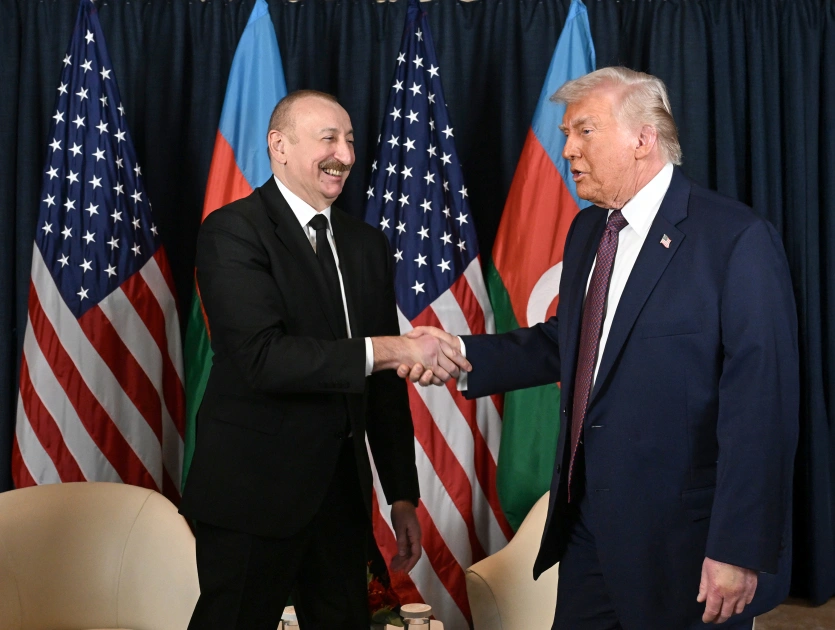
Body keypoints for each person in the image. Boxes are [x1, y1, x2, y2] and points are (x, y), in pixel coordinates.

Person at [401, 68, 799, 630]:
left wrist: (737, 548)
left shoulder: (735, 239)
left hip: (685, 546)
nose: (568, 149)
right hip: (588, 531)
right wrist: (459, 352)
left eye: (584, 131)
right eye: (567, 134)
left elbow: (762, 407)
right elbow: (570, 344)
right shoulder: (589, 231)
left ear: (643, 138)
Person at [179, 90, 467, 630]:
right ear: (279, 146)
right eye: (329, 139)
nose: (345, 155)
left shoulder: (367, 245)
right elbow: (264, 358)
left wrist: (402, 494)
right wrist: (398, 347)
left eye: (350, 141)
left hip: (341, 502)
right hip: (253, 495)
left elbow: (382, 384)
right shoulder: (232, 231)